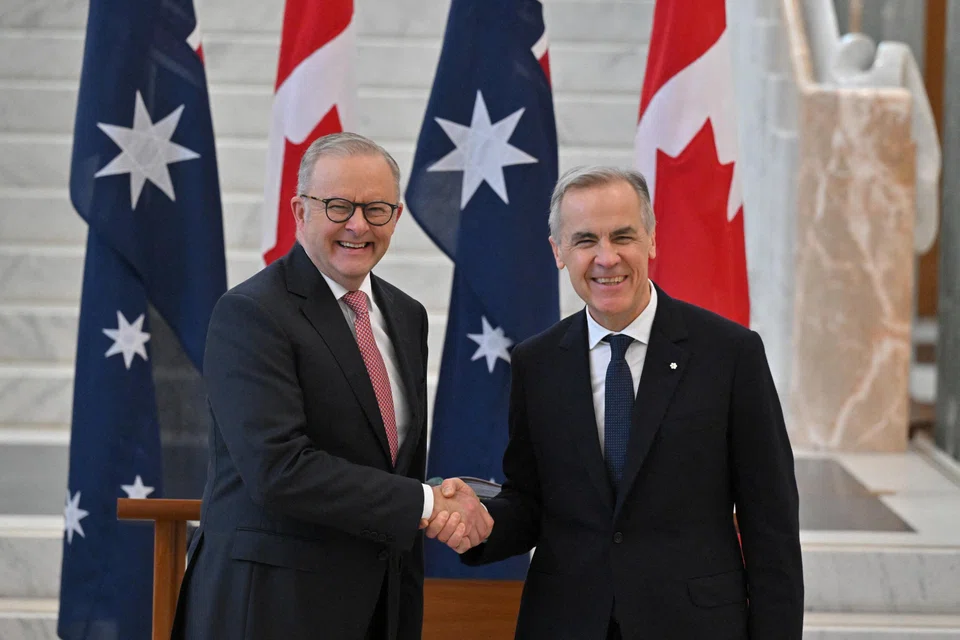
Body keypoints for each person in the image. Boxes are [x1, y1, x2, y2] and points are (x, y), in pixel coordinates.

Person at [435, 166, 803, 638]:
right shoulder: (536, 363)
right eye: (585, 240)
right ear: (558, 253)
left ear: (651, 240)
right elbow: (531, 502)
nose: (606, 258)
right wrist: (482, 523)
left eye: (623, 236)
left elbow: (770, 520)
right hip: (567, 622)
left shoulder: (730, 354)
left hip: (693, 623)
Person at [172, 132, 492, 640]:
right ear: (300, 210)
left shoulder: (406, 316)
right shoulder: (251, 314)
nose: (358, 225)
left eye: (377, 209)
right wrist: (428, 505)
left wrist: (429, 496)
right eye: (339, 206)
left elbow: (386, 463)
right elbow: (278, 469)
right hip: (271, 610)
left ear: (398, 216)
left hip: (379, 605)